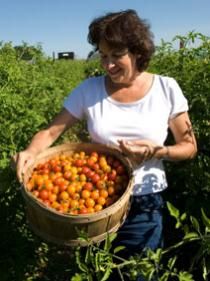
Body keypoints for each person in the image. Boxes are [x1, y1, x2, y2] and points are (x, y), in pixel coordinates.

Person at [13, 9, 197, 280]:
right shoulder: (89, 90)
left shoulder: (166, 89)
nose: (108, 65)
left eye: (116, 55)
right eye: (103, 55)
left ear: (137, 52)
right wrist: (30, 151)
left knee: (139, 274)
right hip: (93, 208)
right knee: (96, 274)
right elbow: (51, 132)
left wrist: (157, 151)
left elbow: (189, 146)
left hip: (144, 206)